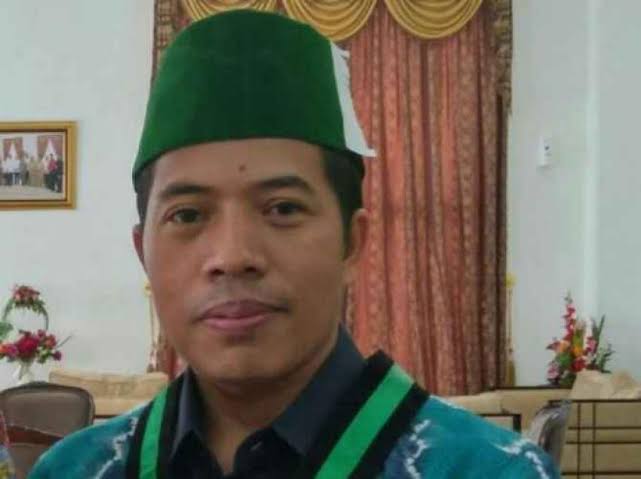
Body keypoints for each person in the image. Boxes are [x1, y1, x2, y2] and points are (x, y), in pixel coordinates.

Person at [29, 10, 559, 479]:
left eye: (282, 209)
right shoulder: (76, 470)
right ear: (142, 251)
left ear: (352, 243)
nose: (233, 256)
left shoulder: (488, 470)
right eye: (187, 215)